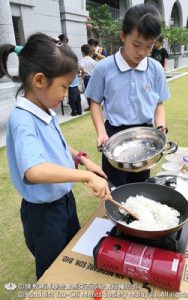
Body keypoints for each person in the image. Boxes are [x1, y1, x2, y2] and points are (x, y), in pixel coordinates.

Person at [0, 33, 110, 280]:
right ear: (39, 80)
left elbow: (57, 145)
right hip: (44, 215)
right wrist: (84, 177)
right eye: (64, 86)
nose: (67, 93)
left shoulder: (44, 110)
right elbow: (34, 170)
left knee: (72, 256)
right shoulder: (22, 120)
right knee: (52, 272)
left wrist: (82, 159)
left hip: (64, 203)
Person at [85, 4, 170, 187]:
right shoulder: (104, 68)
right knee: (114, 186)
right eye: (136, 44)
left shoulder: (155, 69)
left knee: (140, 185)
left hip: (145, 136)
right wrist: (101, 133)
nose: (142, 52)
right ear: (123, 36)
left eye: (149, 46)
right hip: (114, 135)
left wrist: (161, 125)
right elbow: (95, 103)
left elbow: (159, 104)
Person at [80, 44, 97, 111]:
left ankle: (90, 106)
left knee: (88, 92)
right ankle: (94, 105)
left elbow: (81, 69)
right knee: (93, 92)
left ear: (83, 52)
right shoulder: (93, 61)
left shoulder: (82, 60)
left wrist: (82, 74)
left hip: (87, 78)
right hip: (93, 77)